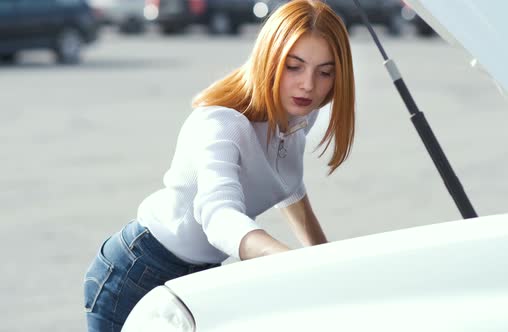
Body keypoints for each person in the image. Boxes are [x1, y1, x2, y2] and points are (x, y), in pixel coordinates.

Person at [83, 0, 355, 330]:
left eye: (325, 72)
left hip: (204, 271)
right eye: (293, 67)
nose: (309, 85)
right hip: (138, 272)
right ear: (269, 59)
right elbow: (219, 216)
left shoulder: (300, 114)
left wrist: (328, 264)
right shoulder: (221, 123)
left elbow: (290, 187)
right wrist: (286, 260)